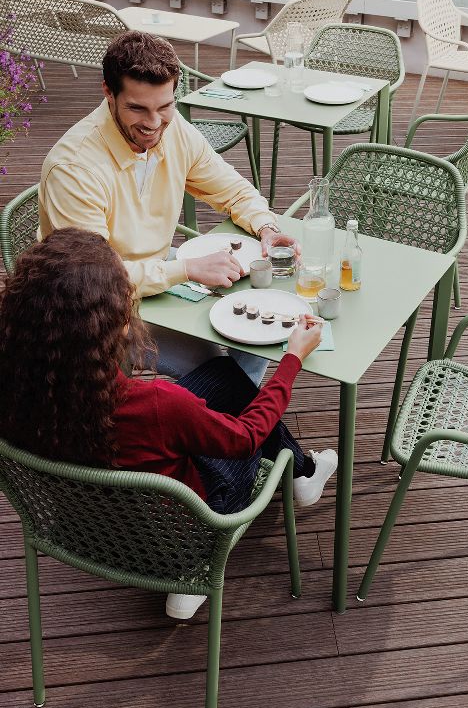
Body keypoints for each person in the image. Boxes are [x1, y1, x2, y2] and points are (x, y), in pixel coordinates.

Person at [0, 229, 337, 619]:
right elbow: (245, 438)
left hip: (85, 529)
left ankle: (303, 472)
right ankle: (199, 568)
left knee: (222, 376)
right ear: (113, 324)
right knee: (247, 411)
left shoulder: (18, 389)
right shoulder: (157, 405)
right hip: (185, 536)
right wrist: (292, 359)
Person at [38, 29, 298, 384]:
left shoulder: (173, 130)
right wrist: (186, 270)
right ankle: (229, 406)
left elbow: (235, 191)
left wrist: (267, 228)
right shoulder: (74, 168)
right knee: (218, 373)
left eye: (165, 106)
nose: (153, 123)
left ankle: (230, 409)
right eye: (137, 108)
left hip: (157, 273)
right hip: (100, 311)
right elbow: (95, 281)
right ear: (108, 93)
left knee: (259, 315)